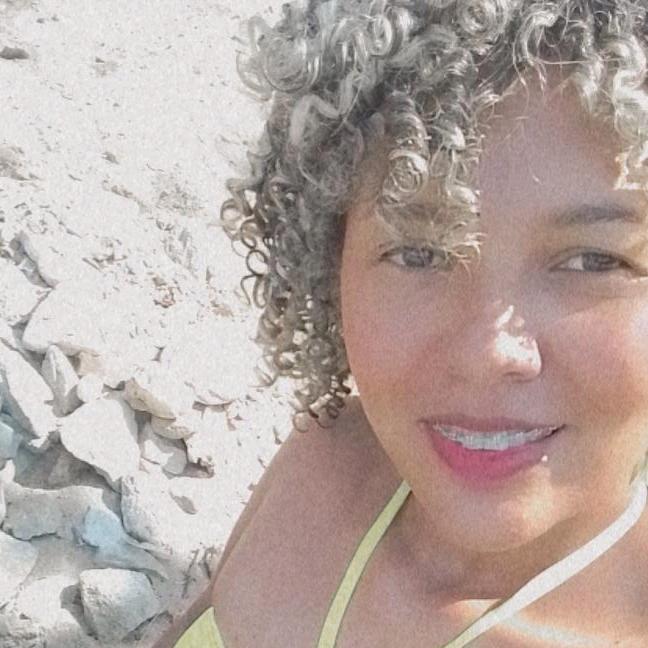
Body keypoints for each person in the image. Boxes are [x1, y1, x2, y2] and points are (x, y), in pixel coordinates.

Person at [156, 0, 648, 646]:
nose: (487, 351)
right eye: (420, 253)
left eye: (592, 261)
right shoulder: (325, 457)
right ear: (328, 258)